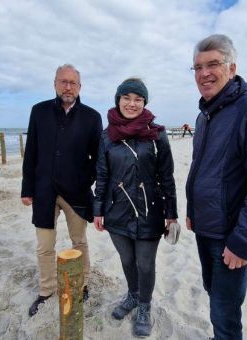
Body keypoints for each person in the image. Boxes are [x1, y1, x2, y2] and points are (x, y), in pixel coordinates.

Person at [185, 34, 247, 339]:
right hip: (205, 228)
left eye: (213, 64)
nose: (204, 73)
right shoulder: (205, 115)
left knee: (225, 312)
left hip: (230, 235)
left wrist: (242, 241)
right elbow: (202, 169)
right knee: (214, 295)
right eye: (198, 67)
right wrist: (192, 211)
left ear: (232, 67)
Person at [92, 78, 178, 337]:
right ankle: (132, 295)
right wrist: (98, 209)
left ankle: (144, 306)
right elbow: (102, 175)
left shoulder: (157, 134)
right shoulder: (107, 136)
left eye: (138, 99)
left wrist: (171, 214)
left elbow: (167, 176)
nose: (132, 103)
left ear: (144, 103)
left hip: (150, 211)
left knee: (145, 263)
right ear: (118, 100)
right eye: (127, 98)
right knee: (127, 259)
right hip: (116, 210)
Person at [21, 64, 103, 317]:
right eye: (63, 82)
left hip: (76, 192)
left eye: (73, 83)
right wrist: (27, 188)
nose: (68, 87)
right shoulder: (39, 111)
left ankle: (83, 283)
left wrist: (83, 180)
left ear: (80, 87)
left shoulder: (92, 116)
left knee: (79, 241)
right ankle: (46, 290)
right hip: (43, 190)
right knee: (45, 245)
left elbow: (97, 157)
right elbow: (31, 151)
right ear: (55, 83)